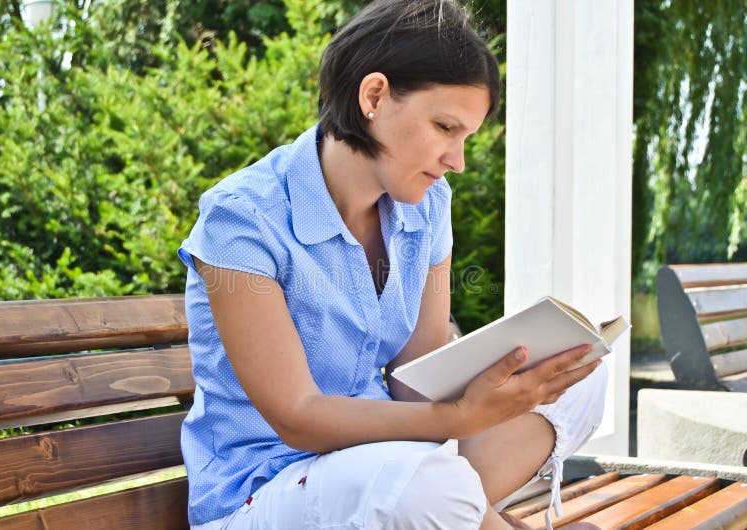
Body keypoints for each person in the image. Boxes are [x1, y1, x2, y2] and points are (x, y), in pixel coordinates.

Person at [177, 1, 607, 529]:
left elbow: (416, 378)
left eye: (465, 136)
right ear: (374, 96)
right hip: (266, 490)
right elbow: (299, 418)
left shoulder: (428, 206)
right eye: (444, 126)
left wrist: (498, 384)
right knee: (427, 487)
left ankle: (470, 514)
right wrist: (455, 419)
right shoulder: (242, 220)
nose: (457, 158)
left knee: (581, 374)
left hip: (394, 463)